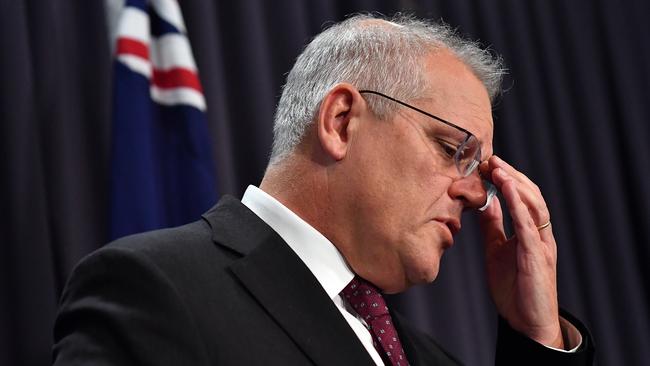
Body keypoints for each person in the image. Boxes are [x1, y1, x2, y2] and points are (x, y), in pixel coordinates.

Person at [52, 14, 594, 365]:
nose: (478, 196)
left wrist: (537, 334)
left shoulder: (431, 359)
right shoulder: (155, 288)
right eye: (454, 150)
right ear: (340, 121)